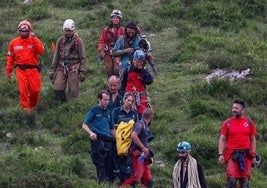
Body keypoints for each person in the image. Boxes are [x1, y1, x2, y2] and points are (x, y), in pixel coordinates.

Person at [5, 20, 45, 111]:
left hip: (33, 70)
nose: (23, 33)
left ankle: (33, 107)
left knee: (35, 90)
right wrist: (8, 71)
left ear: (29, 31)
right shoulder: (13, 43)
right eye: (21, 31)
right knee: (23, 91)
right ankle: (25, 110)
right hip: (21, 70)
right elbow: (10, 58)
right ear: (19, 31)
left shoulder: (34, 40)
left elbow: (41, 51)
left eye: (25, 31)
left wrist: (34, 39)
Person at [218, 99, 257, 188]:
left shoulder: (249, 122)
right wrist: (220, 154)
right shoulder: (227, 123)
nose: (234, 110)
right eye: (233, 108)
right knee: (231, 180)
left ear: (242, 110)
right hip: (232, 155)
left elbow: (253, 139)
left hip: (246, 155)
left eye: (236, 108)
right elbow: (222, 139)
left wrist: (253, 154)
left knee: (245, 182)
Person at [49, 19, 88, 103]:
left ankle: (71, 107)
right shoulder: (60, 41)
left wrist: (83, 71)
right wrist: (52, 70)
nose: (68, 32)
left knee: (73, 91)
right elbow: (56, 57)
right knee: (57, 88)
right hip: (61, 66)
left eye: (69, 31)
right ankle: (63, 102)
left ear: (73, 30)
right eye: (66, 30)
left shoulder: (78, 41)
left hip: (73, 67)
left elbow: (82, 57)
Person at [82, 90, 116, 184]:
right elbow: (84, 125)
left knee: (109, 163)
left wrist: (119, 140)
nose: (106, 102)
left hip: (108, 140)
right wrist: (91, 133)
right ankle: (101, 183)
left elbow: (112, 129)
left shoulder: (109, 112)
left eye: (108, 100)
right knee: (99, 162)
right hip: (98, 139)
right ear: (99, 100)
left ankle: (109, 182)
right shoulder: (93, 111)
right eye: (104, 100)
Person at [120, 108, 154, 188]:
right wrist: (143, 148)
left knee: (148, 179)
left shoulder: (144, 125)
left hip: (144, 157)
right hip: (137, 155)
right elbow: (133, 135)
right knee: (136, 178)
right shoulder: (140, 124)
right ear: (151, 117)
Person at [111, 92, 139, 184]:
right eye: (128, 100)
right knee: (119, 161)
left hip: (130, 142)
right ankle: (120, 181)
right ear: (124, 100)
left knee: (129, 164)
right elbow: (111, 125)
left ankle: (129, 182)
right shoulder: (116, 111)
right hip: (119, 141)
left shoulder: (134, 112)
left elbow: (137, 126)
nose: (130, 102)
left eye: (132, 101)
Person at [120, 50, 153, 116]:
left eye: (141, 62)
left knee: (142, 114)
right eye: (137, 61)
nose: (139, 64)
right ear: (134, 60)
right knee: (128, 113)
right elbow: (123, 84)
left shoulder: (144, 70)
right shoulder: (128, 70)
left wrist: (142, 71)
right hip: (129, 96)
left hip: (141, 97)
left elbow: (150, 81)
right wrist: (125, 94)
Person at [97, 10, 124, 77]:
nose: (115, 19)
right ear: (111, 19)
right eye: (114, 18)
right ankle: (111, 86)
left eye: (117, 18)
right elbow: (101, 41)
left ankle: (119, 86)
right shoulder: (106, 30)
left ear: (119, 19)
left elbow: (125, 42)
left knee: (117, 71)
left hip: (118, 53)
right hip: (108, 53)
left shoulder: (122, 30)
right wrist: (101, 51)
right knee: (109, 71)